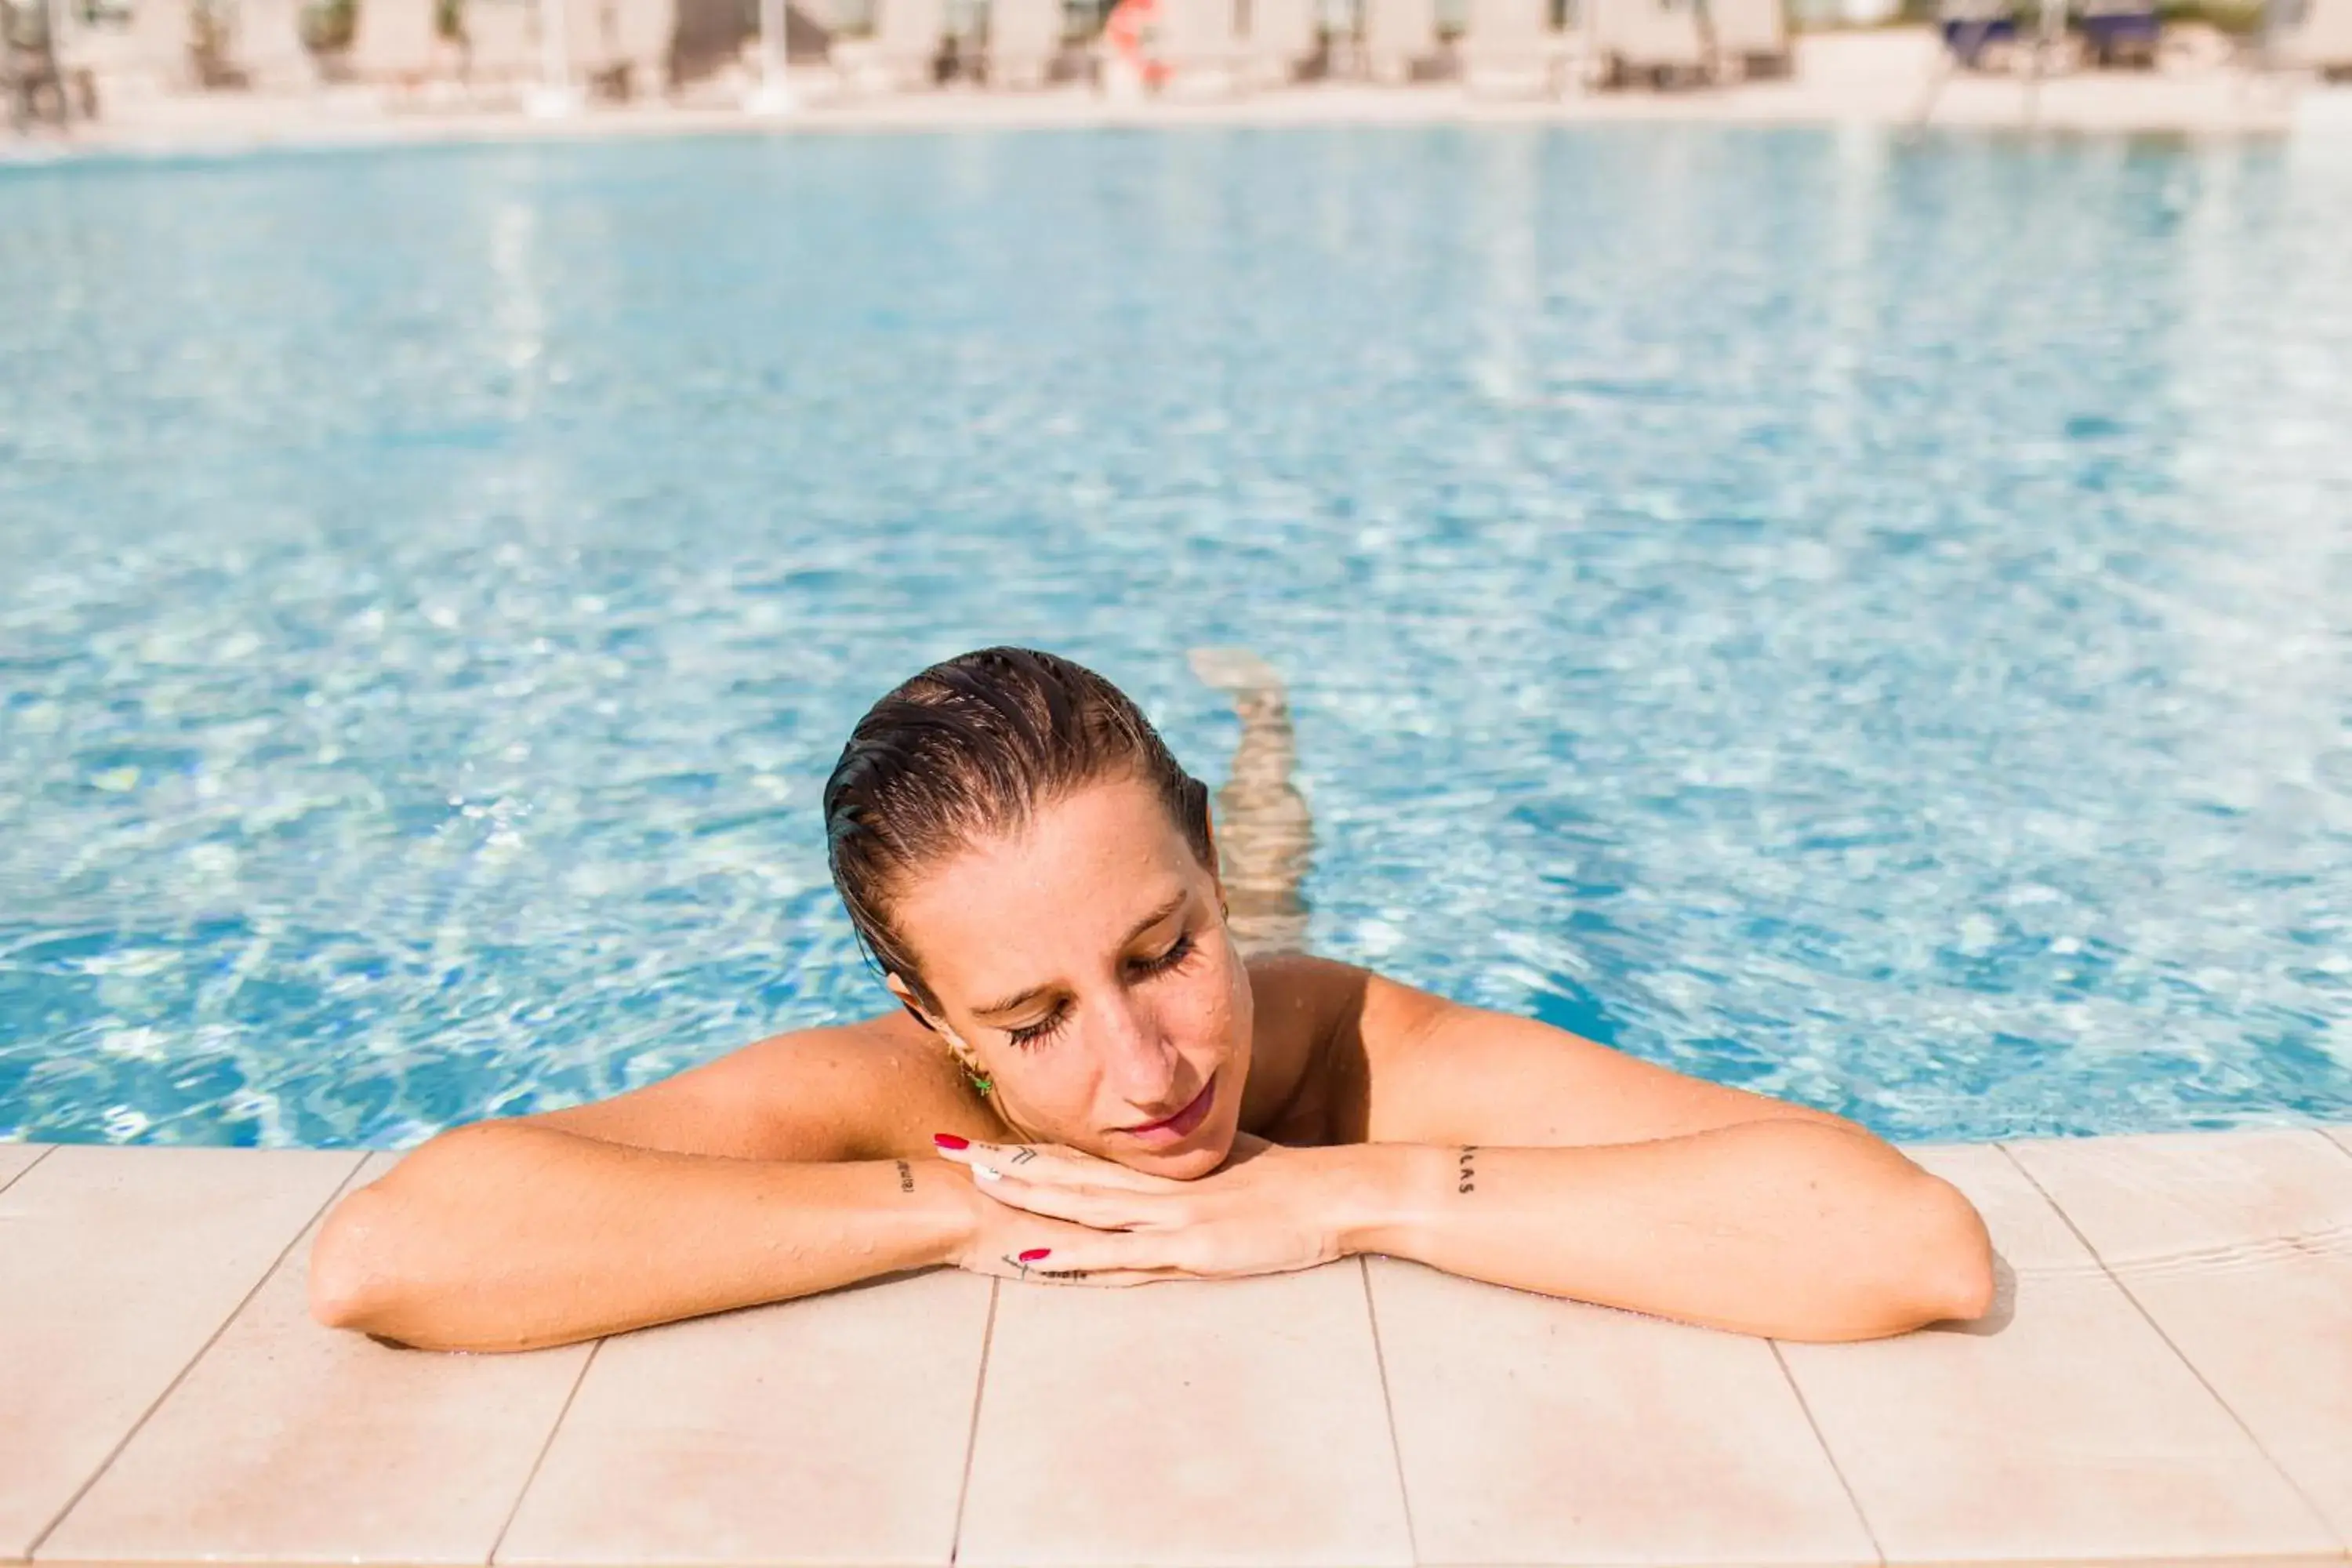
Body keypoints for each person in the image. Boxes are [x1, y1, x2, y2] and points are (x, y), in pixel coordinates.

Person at [308, 645, 1996, 1353]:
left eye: (1158, 953)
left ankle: (1258, 751)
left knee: (1284, 890)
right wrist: (971, 1206)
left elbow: (1908, 1242)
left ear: (1189, 884)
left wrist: (1344, 1190)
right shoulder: (892, 1086)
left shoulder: (1358, 1045)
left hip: (1257, 926)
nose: (1145, 1072)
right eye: (1030, 1020)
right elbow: (398, 1248)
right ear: (933, 1012)